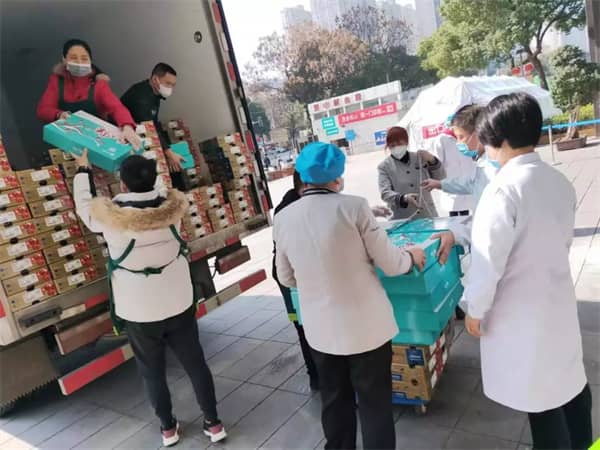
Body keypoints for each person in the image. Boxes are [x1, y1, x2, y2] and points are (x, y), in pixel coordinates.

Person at [273, 142, 426, 450]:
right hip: (366, 330)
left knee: (334, 401)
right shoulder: (355, 207)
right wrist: (412, 256)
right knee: (374, 404)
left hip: (321, 332)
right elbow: (391, 264)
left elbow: (286, 277)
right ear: (337, 177)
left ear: (303, 178)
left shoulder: (284, 217)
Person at [72, 151, 227, 447]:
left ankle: (168, 428)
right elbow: (162, 189)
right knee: (196, 364)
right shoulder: (173, 211)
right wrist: (148, 150)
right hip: (178, 303)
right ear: (154, 180)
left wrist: (82, 169)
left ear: (123, 185)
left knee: (152, 373)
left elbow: (84, 205)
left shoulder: (111, 219)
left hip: (139, 312)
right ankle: (214, 422)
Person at [464, 93, 592, 450]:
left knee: (542, 402)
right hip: (556, 302)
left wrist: (474, 311)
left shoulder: (502, 190)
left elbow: (487, 264)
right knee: (570, 388)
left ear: (500, 139)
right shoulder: (557, 180)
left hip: (522, 314)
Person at [420, 105, 499, 263]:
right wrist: (440, 184)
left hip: (494, 248)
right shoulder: (483, 163)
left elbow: (491, 224)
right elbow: (469, 183)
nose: (459, 143)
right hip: (461, 206)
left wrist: (455, 234)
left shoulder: (493, 169)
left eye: (462, 137)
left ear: (478, 133)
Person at [37, 39, 140, 149]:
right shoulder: (56, 81)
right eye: (73, 58)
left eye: (84, 58)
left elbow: (116, 107)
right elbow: (43, 109)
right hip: (66, 141)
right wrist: (59, 114)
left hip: (97, 142)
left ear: (90, 61)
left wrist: (127, 127)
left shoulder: (99, 84)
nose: (79, 62)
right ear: (64, 59)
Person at [272, 171, 319, 390]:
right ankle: (316, 376)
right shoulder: (289, 210)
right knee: (303, 325)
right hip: (291, 278)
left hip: (296, 273)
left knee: (309, 324)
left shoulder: (301, 202)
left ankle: (319, 375)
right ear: (306, 186)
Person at [120, 63, 184, 173]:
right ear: (155, 79)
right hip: (122, 134)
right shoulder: (141, 97)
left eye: (173, 85)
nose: (170, 88)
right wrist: (169, 153)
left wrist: (167, 150)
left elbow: (154, 123)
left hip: (135, 134)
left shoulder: (155, 94)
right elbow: (148, 127)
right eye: (168, 83)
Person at [378, 126, 445, 220]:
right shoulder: (384, 167)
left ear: (406, 142)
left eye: (399, 143)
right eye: (392, 145)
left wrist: (433, 160)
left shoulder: (420, 158)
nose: (396, 147)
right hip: (402, 217)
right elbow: (385, 193)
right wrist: (403, 198)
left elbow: (441, 179)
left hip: (427, 214)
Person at [428, 130, 475, 216]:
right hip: (450, 181)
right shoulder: (442, 139)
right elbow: (438, 163)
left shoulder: (467, 135)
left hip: (466, 182)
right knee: (454, 214)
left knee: (466, 212)